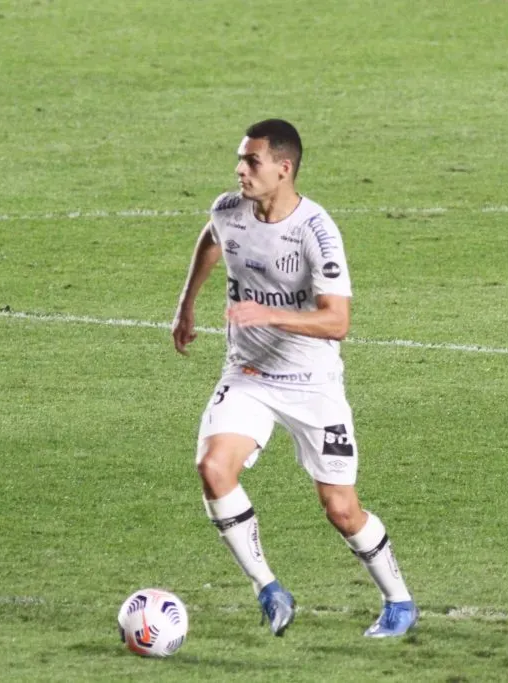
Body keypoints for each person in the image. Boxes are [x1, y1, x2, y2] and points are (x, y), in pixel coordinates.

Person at [171, 119, 418, 638]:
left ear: (283, 169)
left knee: (341, 509)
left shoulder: (316, 231)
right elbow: (212, 239)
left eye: (252, 161)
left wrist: (268, 315)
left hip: (312, 386)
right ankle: (269, 589)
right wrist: (186, 305)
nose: (241, 170)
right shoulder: (228, 209)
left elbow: (338, 321)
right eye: (240, 160)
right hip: (248, 375)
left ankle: (398, 600)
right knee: (214, 468)